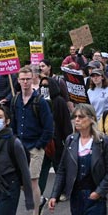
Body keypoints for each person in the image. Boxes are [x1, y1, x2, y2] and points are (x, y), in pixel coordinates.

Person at [11, 66, 54, 215]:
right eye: (22, 79)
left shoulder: (40, 101)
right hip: (20, 147)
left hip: (35, 147)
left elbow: (49, 127)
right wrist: (14, 140)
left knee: (32, 181)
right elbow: (13, 123)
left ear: (33, 78)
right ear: (18, 80)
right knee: (23, 183)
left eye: (28, 78)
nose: (25, 82)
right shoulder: (15, 100)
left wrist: (39, 145)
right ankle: (41, 199)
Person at [37, 75, 72, 204]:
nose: (43, 88)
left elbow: (65, 123)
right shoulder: (39, 101)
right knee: (42, 169)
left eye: (46, 86)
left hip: (57, 141)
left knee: (59, 168)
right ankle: (38, 194)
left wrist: (67, 140)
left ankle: (62, 191)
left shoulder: (59, 102)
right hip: (44, 142)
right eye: (41, 86)